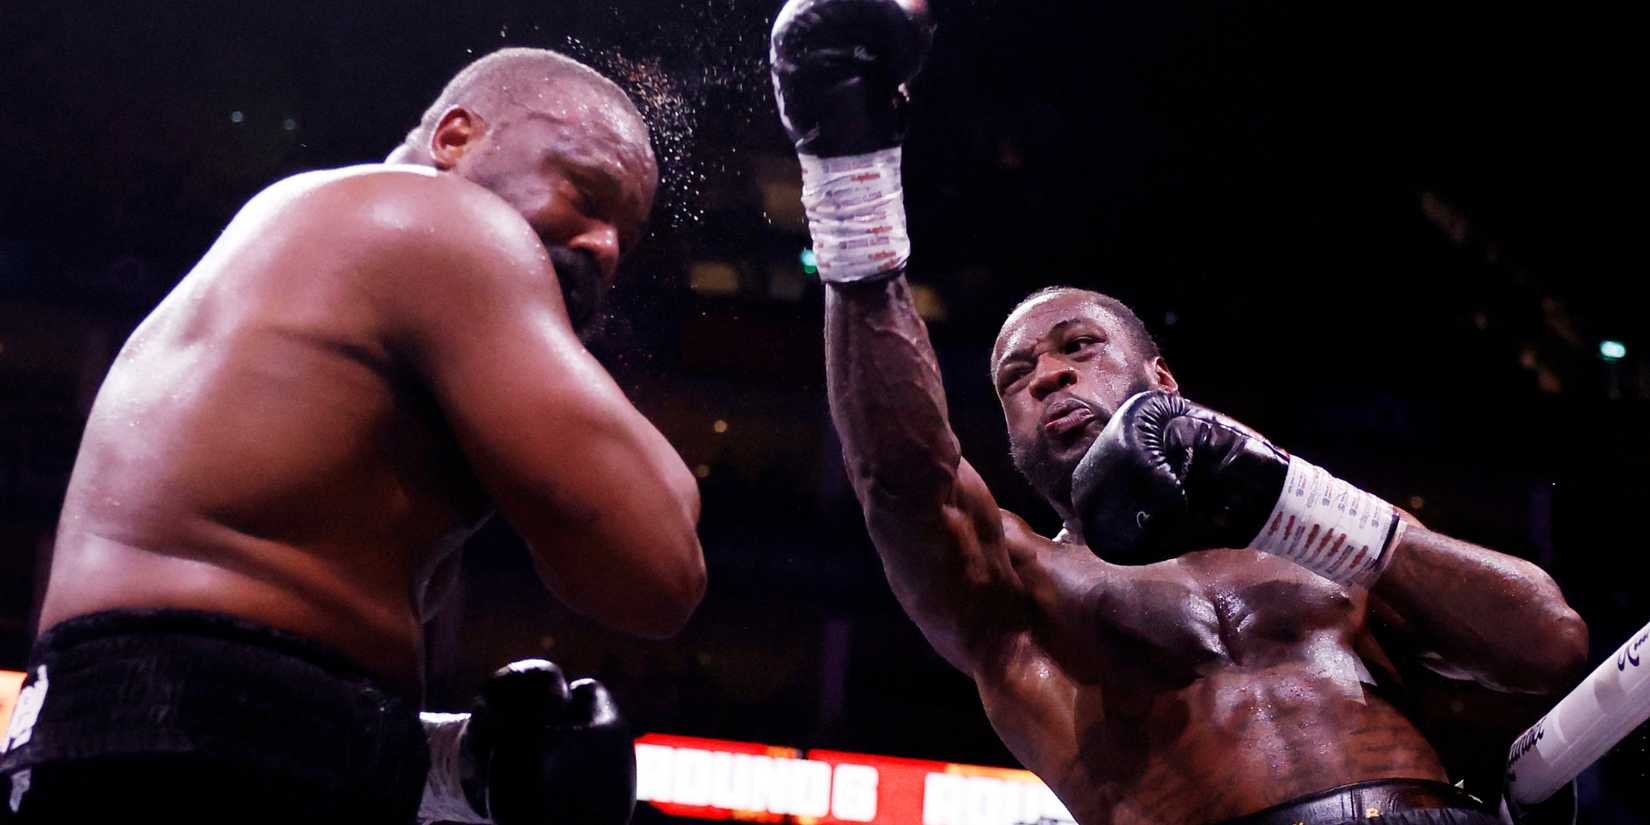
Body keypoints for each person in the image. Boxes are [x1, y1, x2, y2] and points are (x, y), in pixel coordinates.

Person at [769, 1, 1589, 822]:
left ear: (1162, 380)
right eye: (1017, 375)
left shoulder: (1323, 551)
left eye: (1078, 346)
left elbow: (1549, 642)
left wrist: (1287, 496)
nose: (1048, 375)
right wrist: (851, 179)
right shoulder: (1024, 589)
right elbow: (904, 479)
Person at [0, 47, 705, 824]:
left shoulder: (307, 236)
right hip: (200, 756)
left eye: (625, 238)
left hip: (121, 738)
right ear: (456, 138)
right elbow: (656, 565)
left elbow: (244, 676)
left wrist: (450, 765)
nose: (605, 246)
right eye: (586, 192)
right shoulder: (444, 222)